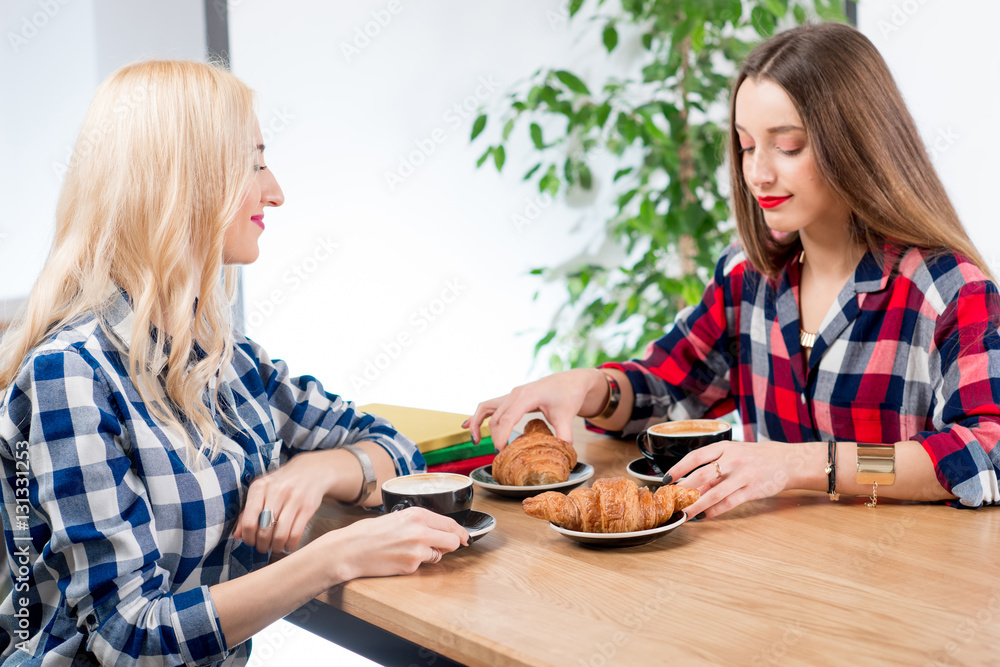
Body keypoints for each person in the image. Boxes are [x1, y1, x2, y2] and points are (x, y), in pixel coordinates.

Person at [0, 61, 467, 666]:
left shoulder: (222, 357)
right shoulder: (71, 374)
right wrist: (332, 558)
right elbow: (127, 641)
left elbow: (398, 450)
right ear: (181, 181)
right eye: (254, 164)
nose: (275, 191)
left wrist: (318, 470)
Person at [466, 22, 1000, 518]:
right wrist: (587, 386)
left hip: (901, 591)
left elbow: (984, 452)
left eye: (787, 146)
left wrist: (803, 465)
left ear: (856, 142)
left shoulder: (948, 288)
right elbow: (667, 387)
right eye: (746, 146)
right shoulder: (747, 275)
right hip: (770, 576)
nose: (758, 173)